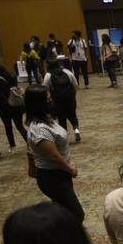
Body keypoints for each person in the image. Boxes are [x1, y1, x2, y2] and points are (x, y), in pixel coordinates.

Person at [25, 85, 84, 221]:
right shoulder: (40, 129)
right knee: (76, 214)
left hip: (59, 174)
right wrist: (70, 169)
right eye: (48, 100)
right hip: (52, 177)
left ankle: (59, 237)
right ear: (38, 104)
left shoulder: (46, 119)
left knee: (62, 211)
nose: (52, 102)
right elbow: (53, 157)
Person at [0, 63, 27, 153]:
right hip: (15, 105)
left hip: (4, 107)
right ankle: (29, 142)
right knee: (20, 126)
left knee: (8, 127)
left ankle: (12, 145)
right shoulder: (11, 75)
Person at [44, 58, 82, 142]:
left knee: (62, 118)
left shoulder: (48, 75)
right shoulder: (67, 72)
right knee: (72, 115)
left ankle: (65, 137)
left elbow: (45, 88)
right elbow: (75, 84)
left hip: (57, 100)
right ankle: (76, 130)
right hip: (70, 98)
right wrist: (73, 95)